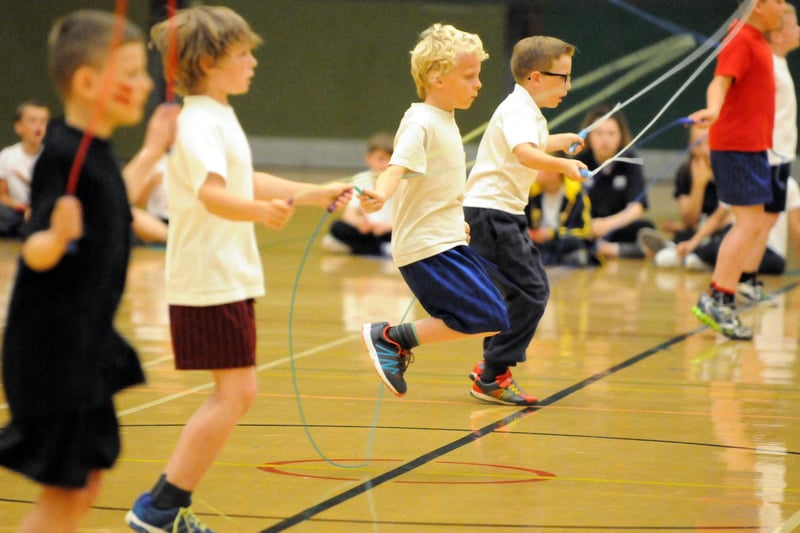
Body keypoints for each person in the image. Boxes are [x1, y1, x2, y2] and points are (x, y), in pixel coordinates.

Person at [126, 7, 351, 532]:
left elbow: (241, 176)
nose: (253, 61)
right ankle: (157, 510)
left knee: (236, 393)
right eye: (242, 53)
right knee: (236, 394)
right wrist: (260, 211)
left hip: (224, 274)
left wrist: (307, 194)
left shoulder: (217, 114)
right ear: (208, 62)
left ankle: (162, 507)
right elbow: (213, 193)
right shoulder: (199, 120)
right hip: (208, 277)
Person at [0, 10, 177, 533]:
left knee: (84, 484)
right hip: (51, 349)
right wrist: (53, 236)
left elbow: (115, 204)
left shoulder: (95, 150)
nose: (146, 83)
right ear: (87, 82)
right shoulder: (60, 152)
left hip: (83, 342)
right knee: (66, 492)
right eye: (132, 73)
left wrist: (152, 148)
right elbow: (34, 249)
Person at [357, 24, 512, 401]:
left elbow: (436, 186)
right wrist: (379, 194)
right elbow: (396, 168)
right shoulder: (420, 122)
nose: (478, 85)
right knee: (489, 315)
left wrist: (452, 219)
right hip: (427, 248)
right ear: (436, 77)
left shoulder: (444, 120)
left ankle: (393, 338)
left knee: (494, 314)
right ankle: (390, 338)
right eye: (469, 76)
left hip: (446, 239)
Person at [462, 34, 587, 405]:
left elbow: (533, 143)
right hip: (490, 214)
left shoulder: (526, 112)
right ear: (535, 77)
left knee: (525, 292)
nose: (568, 85)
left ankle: (491, 368)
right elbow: (524, 152)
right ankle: (491, 374)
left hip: (504, 214)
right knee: (530, 292)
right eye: (562, 77)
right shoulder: (518, 111)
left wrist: (559, 140)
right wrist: (563, 164)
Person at [688, 0, 785, 340]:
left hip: (752, 147)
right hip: (737, 147)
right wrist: (714, 109)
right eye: (778, 2)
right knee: (747, 224)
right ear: (758, 6)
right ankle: (718, 298)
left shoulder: (758, 38)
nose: (784, 8)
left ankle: (720, 296)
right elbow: (719, 81)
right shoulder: (741, 37)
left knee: (753, 223)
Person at [736, 1, 800, 305]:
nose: (798, 31)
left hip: (781, 154)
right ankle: (735, 279)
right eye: (793, 26)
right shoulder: (767, 65)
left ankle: (749, 278)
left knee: (769, 220)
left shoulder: (779, 63)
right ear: (777, 34)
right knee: (757, 221)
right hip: (767, 154)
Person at [665, 176, 800, 278]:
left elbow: (796, 227)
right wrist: (693, 242)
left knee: (723, 246)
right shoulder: (741, 178)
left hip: (771, 254)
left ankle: (698, 256)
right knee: (723, 237)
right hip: (737, 243)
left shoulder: (787, 184)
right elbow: (717, 218)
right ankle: (696, 253)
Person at [576, 104, 655, 259]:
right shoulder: (578, 162)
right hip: (587, 228)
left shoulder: (631, 160)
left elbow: (637, 208)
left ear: (621, 136)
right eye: (599, 133)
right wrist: (589, 225)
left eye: (611, 133)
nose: (605, 140)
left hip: (618, 226)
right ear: (589, 136)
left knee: (645, 228)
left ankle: (612, 249)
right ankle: (609, 249)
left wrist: (607, 224)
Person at [321, 131, 394, 256]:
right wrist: (362, 223)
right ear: (368, 158)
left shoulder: (401, 181)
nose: (385, 164)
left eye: (390, 159)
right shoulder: (361, 179)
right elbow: (349, 215)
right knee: (337, 228)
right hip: (368, 232)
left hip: (392, 231)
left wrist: (387, 226)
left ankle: (368, 249)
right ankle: (381, 250)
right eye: (381, 159)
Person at [525, 166, 596, 267]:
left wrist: (551, 234)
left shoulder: (575, 194)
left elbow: (584, 232)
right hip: (539, 247)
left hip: (564, 246)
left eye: (539, 168)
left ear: (555, 172)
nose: (535, 173)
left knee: (578, 254)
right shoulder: (531, 193)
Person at [0, 101, 49, 239]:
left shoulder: (52, 157)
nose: (38, 127)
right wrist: (22, 207)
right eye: (33, 121)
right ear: (19, 127)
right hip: (15, 212)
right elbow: (2, 196)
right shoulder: (7, 156)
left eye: (43, 121)